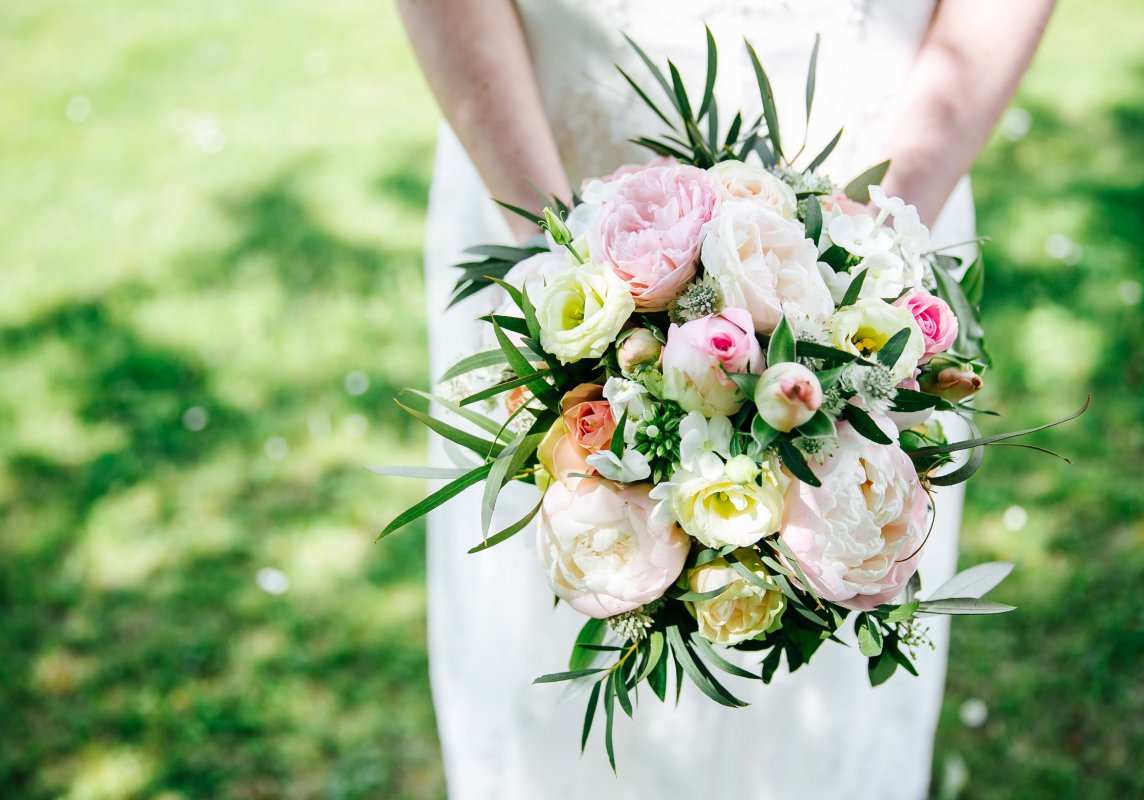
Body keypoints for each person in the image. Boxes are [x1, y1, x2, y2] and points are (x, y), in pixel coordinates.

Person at [396, 2, 1054, 797]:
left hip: (888, 166)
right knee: (561, 589)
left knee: (843, 573)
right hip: (531, 152)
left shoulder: (876, 250)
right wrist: (559, 258)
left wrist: (866, 262)